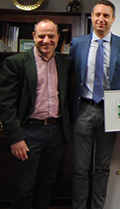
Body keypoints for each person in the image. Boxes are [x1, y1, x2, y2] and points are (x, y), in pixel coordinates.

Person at [69, 0, 120, 208]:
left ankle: (98, 206)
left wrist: (117, 103)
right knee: (80, 168)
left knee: (102, 167)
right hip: (84, 110)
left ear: (113, 19)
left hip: (109, 112)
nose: (101, 19)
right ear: (91, 16)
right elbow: (69, 73)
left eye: (106, 16)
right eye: (97, 14)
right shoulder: (78, 43)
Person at [0, 19, 71, 209]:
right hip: (28, 133)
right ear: (34, 37)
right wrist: (15, 138)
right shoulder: (16, 63)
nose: (46, 40)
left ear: (58, 38)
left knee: (46, 186)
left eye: (51, 36)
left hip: (56, 132)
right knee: (24, 188)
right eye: (41, 36)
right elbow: (6, 104)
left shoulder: (65, 63)